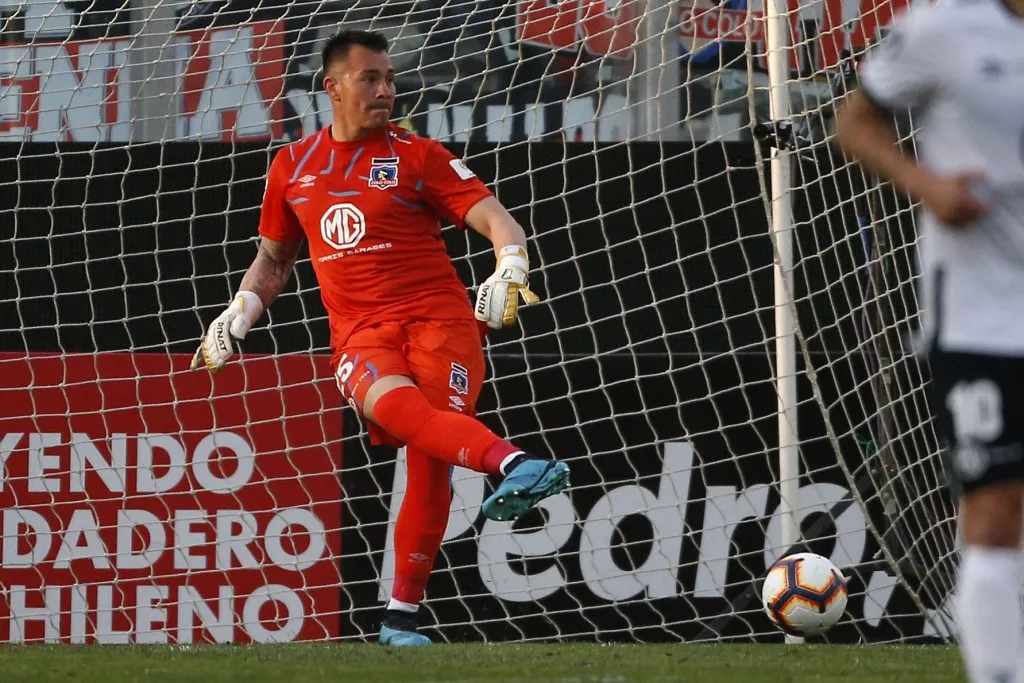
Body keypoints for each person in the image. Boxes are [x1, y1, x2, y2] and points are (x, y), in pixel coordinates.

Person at [190, 28, 571, 647]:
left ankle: (399, 620)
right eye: (371, 79)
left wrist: (510, 264)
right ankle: (517, 464)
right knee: (394, 406)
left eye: (390, 80)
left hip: (441, 323)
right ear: (332, 87)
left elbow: (496, 218)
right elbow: (275, 260)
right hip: (362, 332)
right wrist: (237, 314)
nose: (386, 91)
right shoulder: (292, 166)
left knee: (429, 456)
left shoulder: (419, 155)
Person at [835, 0, 1024, 680]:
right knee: (997, 503)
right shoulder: (944, 28)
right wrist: (927, 185)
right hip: (981, 316)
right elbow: (854, 122)